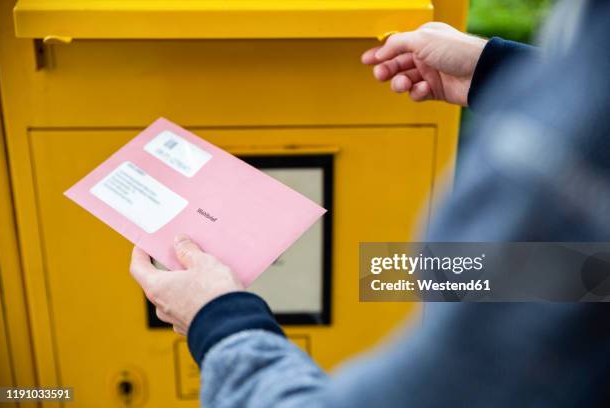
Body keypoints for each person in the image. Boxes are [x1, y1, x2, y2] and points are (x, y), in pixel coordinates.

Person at [130, 1, 610, 406]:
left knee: (385, 271)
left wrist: (218, 322)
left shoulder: (571, 171)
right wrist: (493, 69)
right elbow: (580, 274)